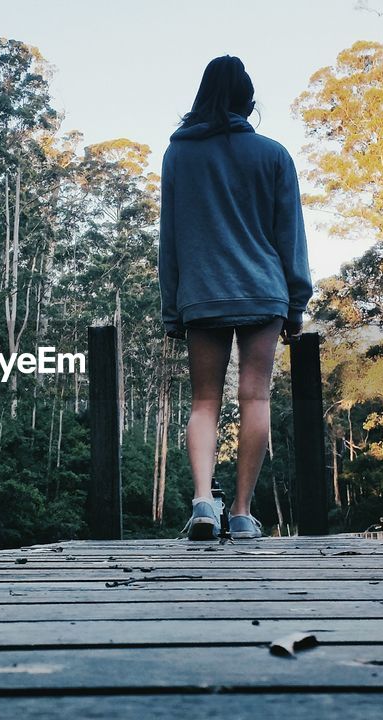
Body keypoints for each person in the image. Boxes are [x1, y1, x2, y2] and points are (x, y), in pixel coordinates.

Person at [158, 55, 313, 541]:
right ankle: (243, 513)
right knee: (255, 397)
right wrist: (295, 302)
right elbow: (290, 236)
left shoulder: (178, 155)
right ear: (247, 99)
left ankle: (204, 502)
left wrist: (171, 308)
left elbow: (171, 239)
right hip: (262, 292)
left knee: (204, 400)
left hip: (201, 294)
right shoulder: (273, 155)